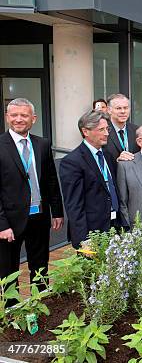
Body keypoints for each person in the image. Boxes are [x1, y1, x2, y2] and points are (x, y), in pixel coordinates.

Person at [0, 98, 64, 293]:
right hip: (10, 221)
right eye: (14, 115)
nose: (19, 119)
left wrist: (57, 211)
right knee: (9, 270)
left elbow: (51, 180)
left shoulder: (42, 144)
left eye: (24, 115)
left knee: (40, 264)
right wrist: (2, 225)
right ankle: (12, 311)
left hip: (39, 215)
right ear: (7, 117)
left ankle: (42, 300)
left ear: (33, 118)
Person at [60, 110, 126, 248]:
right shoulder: (72, 161)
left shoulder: (108, 155)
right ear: (85, 131)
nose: (107, 133)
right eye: (101, 129)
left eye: (107, 129)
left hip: (114, 226)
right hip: (92, 232)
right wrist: (84, 239)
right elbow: (74, 205)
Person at [105, 93, 139, 163]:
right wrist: (117, 161)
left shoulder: (137, 131)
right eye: (118, 108)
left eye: (126, 108)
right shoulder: (103, 131)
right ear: (109, 110)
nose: (123, 111)